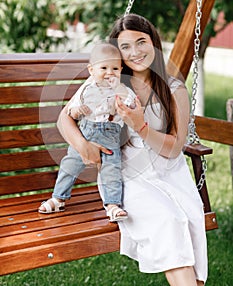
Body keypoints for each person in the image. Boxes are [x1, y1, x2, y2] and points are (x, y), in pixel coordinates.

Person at [56, 14, 208, 286]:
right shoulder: (109, 78)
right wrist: (84, 145)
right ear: (118, 53)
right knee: (169, 220)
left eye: (141, 42)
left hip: (169, 170)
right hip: (128, 173)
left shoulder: (172, 88)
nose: (135, 52)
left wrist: (141, 126)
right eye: (125, 47)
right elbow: (63, 118)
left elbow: (174, 149)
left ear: (154, 43)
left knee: (192, 221)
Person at [38, 42, 136, 222]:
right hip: (86, 132)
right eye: (104, 67)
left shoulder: (122, 90)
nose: (109, 72)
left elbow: (132, 104)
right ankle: (58, 198)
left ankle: (112, 205)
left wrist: (120, 93)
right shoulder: (86, 89)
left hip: (110, 136)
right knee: (69, 166)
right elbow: (71, 112)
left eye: (115, 68)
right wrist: (77, 111)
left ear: (121, 70)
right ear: (91, 70)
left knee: (111, 170)